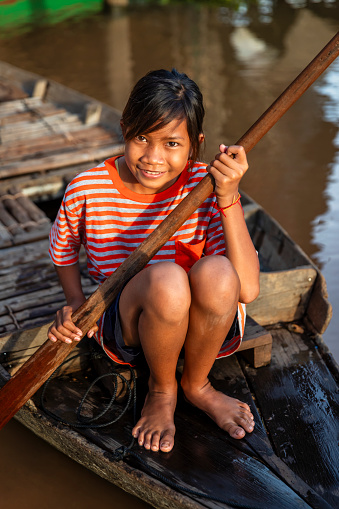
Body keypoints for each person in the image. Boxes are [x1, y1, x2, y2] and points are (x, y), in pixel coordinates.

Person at [48, 69, 260, 453]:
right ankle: (162, 390)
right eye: (142, 138)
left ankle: (197, 384)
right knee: (166, 280)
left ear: (195, 145)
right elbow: (64, 250)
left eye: (172, 143)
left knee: (217, 270)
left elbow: (247, 289)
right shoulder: (87, 188)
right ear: (124, 129)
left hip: (204, 331)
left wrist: (229, 196)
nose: (153, 158)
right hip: (130, 325)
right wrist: (76, 303)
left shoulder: (206, 186)